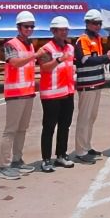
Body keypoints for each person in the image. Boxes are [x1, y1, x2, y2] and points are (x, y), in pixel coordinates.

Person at [0, 11, 40, 180]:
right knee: (10, 131)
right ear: (19, 27)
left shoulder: (29, 45)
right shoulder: (10, 45)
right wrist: (34, 56)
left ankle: (17, 160)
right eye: (26, 26)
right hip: (15, 94)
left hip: (28, 93)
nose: (29, 29)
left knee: (22, 129)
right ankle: (3, 166)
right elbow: (14, 63)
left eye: (31, 27)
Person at [72, 9, 110, 165]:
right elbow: (86, 60)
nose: (97, 26)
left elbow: (98, 59)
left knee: (91, 118)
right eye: (95, 23)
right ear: (87, 23)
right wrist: (107, 57)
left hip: (96, 84)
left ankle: (87, 146)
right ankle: (80, 151)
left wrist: (108, 58)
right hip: (87, 84)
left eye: (99, 23)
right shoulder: (82, 40)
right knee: (84, 119)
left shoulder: (97, 39)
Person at [36, 16, 77, 173]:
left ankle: (61, 155)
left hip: (67, 92)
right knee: (49, 128)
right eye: (61, 30)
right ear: (53, 31)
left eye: (66, 30)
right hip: (51, 95)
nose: (64, 32)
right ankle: (46, 159)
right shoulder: (46, 49)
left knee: (65, 126)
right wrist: (59, 60)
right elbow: (45, 68)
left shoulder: (70, 47)